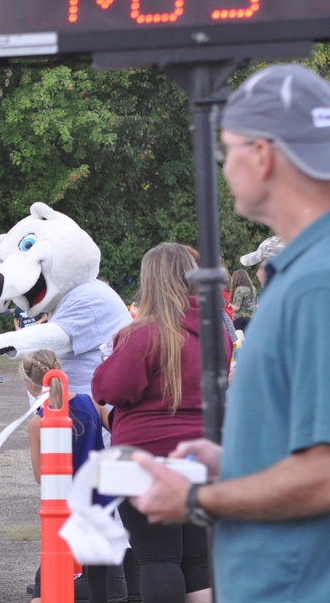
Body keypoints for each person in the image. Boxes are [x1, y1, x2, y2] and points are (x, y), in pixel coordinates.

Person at [133, 64, 330, 603]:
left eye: (226, 153)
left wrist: (198, 497)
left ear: (262, 154)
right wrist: (242, 460)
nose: (225, 168)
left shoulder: (325, 281)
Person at [92, 242, 232, 603]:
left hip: (143, 455)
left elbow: (112, 388)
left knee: (157, 557)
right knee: (199, 558)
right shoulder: (216, 330)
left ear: (150, 281)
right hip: (200, 453)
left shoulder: (141, 334)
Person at [24, 350, 125, 603]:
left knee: (50, 578)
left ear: (30, 385)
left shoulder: (39, 422)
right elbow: (119, 430)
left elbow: (40, 476)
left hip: (62, 508)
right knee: (98, 581)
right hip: (100, 501)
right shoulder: (90, 403)